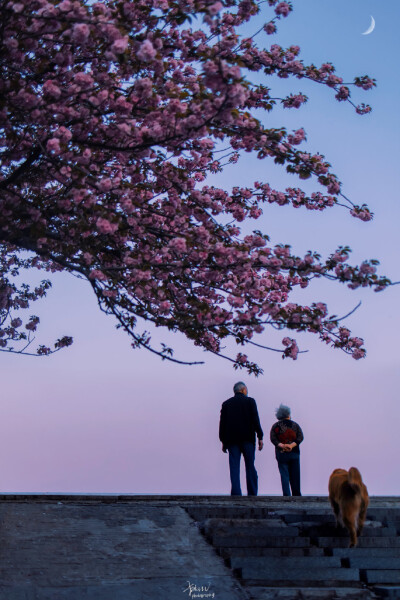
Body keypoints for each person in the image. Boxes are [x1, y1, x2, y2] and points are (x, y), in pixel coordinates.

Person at [219, 382, 264, 496]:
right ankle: (252, 493)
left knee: (234, 468)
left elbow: (222, 424)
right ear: (244, 389)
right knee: (250, 466)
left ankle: (236, 493)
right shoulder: (250, 401)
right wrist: (260, 436)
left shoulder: (226, 404)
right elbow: (255, 419)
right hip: (248, 439)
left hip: (232, 440)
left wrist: (223, 441)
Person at [270, 404, 304, 497]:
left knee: (284, 475)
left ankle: (286, 495)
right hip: (294, 453)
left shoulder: (275, 426)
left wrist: (282, 445)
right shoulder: (295, 425)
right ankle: (296, 495)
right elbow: (300, 437)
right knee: (295, 475)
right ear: (288, 414)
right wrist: (291, 445)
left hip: (281, 454)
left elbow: (273, 439)